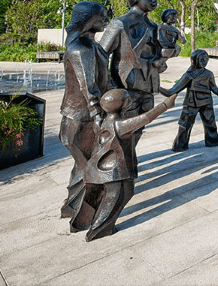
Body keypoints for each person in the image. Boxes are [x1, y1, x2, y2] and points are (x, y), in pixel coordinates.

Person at [71, 89, 177, 241]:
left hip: (96, 168)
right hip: (115, 173)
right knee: (122, 194)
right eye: (128, 100)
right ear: (123, 105)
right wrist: (165, 105)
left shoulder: (102, 120)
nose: (130, 101)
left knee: (92, 198)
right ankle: (99, 229)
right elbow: (146, 118)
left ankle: (79, 223)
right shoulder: (120, 125)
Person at [59, 1, 109, 221]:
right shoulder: (81, 48)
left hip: (83, 117)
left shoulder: (92, 45)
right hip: (81, 119)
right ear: (89, 21)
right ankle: (84, 216)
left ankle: (73, 207)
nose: (105, 21)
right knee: (88, 167)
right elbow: (88, 86)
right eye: (101, 18)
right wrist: (98, 116)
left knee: (83, 166)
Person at [99, 0, 161, 145]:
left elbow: (154, 55)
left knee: (139, 127)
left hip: (147, 86)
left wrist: (160, 62)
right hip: (125, 88)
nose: (154, 1)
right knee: (122, 131)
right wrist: (110, 86)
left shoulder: (154, 27)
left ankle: (128, 160)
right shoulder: (120, 24)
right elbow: (100, 56)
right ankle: (122, 164)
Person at [161, 49, 218, 152]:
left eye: (206, 59)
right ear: (194, 60)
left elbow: (213, 87)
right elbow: (172, 91)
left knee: (211, 124)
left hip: (207, 102)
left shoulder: (209, 74)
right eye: (202, 59)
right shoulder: (188, 75)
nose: (205, 62)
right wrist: (157, 87)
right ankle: (180, 145)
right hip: (191, 103)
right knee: (185, 126)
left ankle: (212, 141)